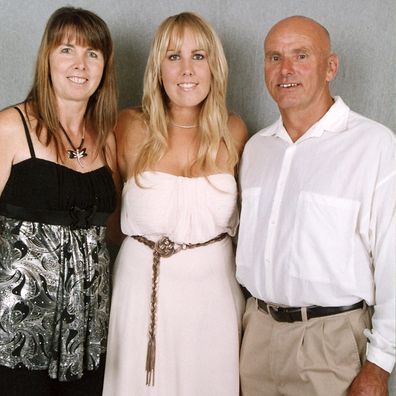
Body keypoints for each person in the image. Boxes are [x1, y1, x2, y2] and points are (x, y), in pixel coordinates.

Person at [236, 15, 395, 396]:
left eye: (301, 55)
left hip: (332, 345)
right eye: (274, 57)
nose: (285, 69)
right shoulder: (256, 148)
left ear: (330, 67)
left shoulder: (374, 145)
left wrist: (379, 367)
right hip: (255, 336)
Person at [103, 11, 247, 396]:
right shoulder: (127, 126)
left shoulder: (234, 130)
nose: (186, 69)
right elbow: (108, 217)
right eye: (173, 56)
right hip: (141, 290)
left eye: (198, 56)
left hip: (214, 296)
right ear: (157, 68)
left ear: (214, 66)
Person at [0, 7, 119, 396]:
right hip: (17, 330)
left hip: (88, 333)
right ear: (47, 58)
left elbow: (114, 230)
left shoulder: (107, 137)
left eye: (93, 54)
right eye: (67, 49)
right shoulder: (10, 127)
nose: (80, 64)